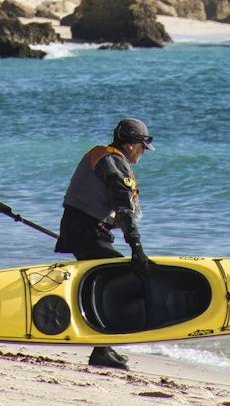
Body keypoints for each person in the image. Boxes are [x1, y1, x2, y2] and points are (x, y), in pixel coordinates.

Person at [55, 117, 155, 369]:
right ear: (132, 144)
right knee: (120, 281)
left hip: (82, 229)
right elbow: (124, 210)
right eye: (143, 146)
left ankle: (104, 346)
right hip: (87, 231)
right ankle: (102, 349)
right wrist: (137, 249)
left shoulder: (102, 155)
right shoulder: (113, 163)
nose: (143, 152)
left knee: (104, 284)